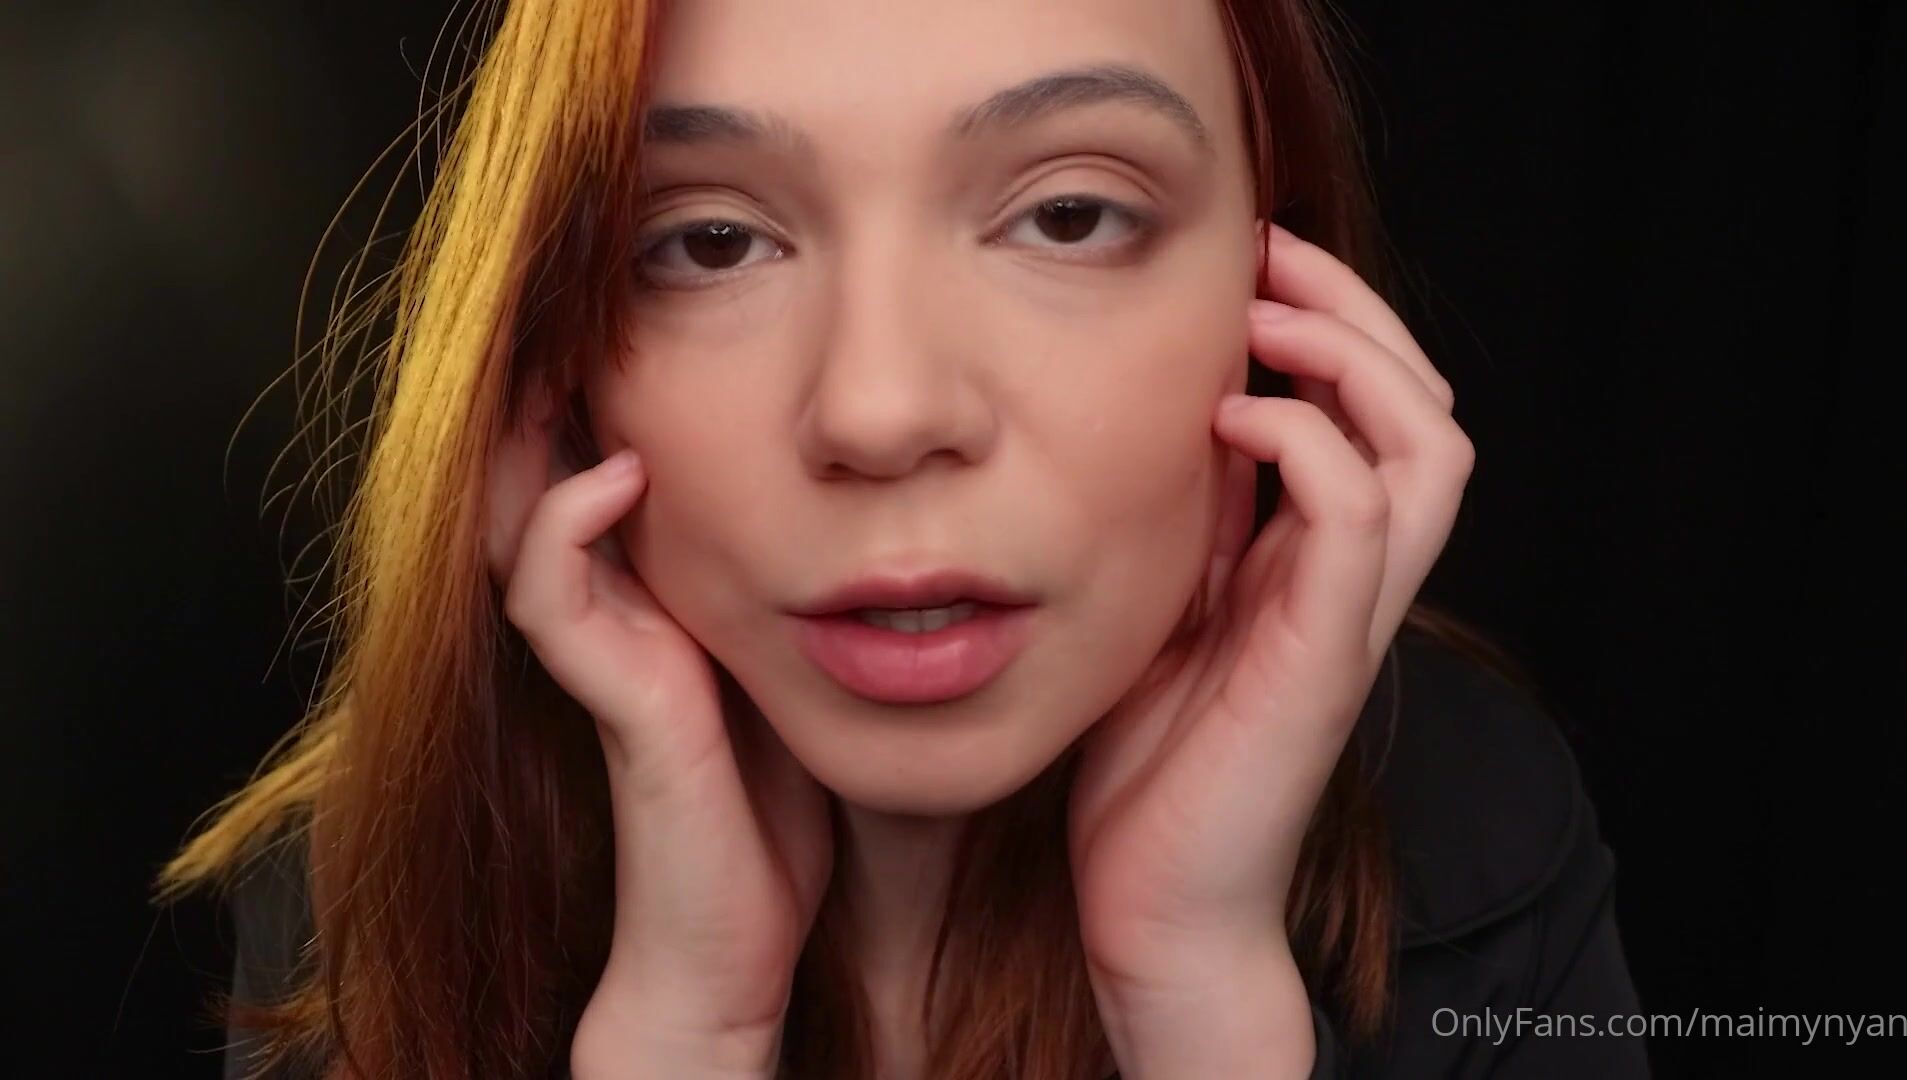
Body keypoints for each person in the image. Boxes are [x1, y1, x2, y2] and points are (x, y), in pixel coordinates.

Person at [158, 0, 1650, 1076]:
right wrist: (683, 1032)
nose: (880, 411)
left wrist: (1201, 1000)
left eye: (1069, 216)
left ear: (1279, 294)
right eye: (712, 241)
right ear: (556, 362)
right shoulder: (381, 876)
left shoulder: (1473, 828)